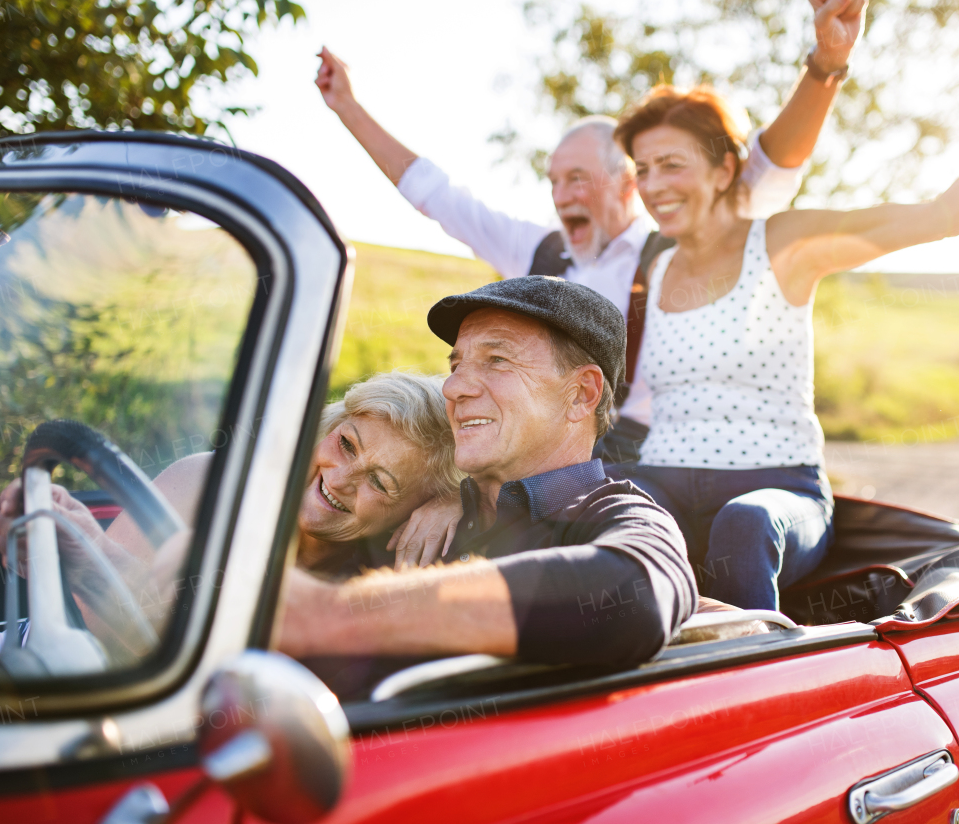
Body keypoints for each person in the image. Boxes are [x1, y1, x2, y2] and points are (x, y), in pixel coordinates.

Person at [609, 21, 959, 612]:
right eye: (643, 169)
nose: (654, 185)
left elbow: (946, 214)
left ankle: (749, 679)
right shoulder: (653, 273)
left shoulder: (784, 244)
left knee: (744, 523)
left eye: (671, 164)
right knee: (575, 502)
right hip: (664, 478)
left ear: (724, 171)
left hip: (774, 493)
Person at [314, 0, 869, 468]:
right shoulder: (541, 254)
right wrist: (348, 108)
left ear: (629, 182)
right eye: (553, 181)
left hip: (642, 454)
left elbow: (768, 170)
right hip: (544, 447)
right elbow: (437, 195)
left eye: (577, 179)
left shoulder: (682, 249)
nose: (561, 195)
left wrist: (825, 64)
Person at [277, 277, 697, 672]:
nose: (454, 387)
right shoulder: (414, 502)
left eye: (497, 360)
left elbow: (634, 594)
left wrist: (331, 614)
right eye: (457, 363)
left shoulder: (616, 516)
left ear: (581, 394)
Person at [0, 372, 467, 667]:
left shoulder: (379, 581)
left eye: (380, 483)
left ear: (409, 516)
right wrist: (82, 549)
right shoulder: (207, 481)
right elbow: (92, 631)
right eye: (346, 444)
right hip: (43, 666)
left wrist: (456, 500)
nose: (339, 480)